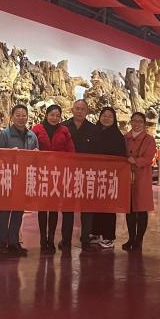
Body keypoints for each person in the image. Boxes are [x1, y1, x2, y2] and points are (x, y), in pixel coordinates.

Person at [0, 104, 38, 254]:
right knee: (5, 211)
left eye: (24, 115)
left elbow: (36, 159)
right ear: (12, 117)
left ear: (27, 117)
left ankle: (13, 242)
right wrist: (8, 154)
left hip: (24, 178)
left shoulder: (32, 136)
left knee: (18, 211)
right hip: (7, 178)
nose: (21, 118)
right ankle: (2, 243)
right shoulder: (4, 134)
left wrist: (36, 154)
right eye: (18, 115)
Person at [32, 104, 74, 252]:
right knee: (42, 208)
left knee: (54, 208)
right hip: (42, 173)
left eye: (57, 115)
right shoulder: (37, 129)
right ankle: (43, 239)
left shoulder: (64, 131)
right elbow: (31, 148)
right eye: (52, 115)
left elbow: (71, 151)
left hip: (58, 174)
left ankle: (51, 238)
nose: (54, 118)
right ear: (46, 115)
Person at [63, 99, 101, 251]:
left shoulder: (94, 129)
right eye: (77, 108)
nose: (79, 111)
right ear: (72, 110)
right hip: (68, 174)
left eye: (82, 109)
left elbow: (98, 153)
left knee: (87, 208)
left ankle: (85, 238)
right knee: (67, 208)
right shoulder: (64, 127)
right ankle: (66, 239)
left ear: (87, 111)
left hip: (87, 174)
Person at [91, 106, 124, 249]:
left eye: (110, 116)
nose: (106, 118)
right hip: (94, 174)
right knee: (96, 205)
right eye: (104, 115)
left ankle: (109, 236)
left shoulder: (117, 136)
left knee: (109, 207)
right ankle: (96, 232)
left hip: (110, 176)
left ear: (114, 119)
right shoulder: (94, 132)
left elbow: (121, 156)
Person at [124, 111, 156, 251]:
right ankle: (131, 238)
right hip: (127, 177)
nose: (136, 123)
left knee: (142, 209)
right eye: (134, 120)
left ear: (144, 124)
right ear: (130, 122)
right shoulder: (125, 138)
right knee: (129, 209)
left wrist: (136, 161)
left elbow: (149, 158)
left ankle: (139, 239)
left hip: (142, 177)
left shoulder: (149, 140)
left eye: (139, 121)